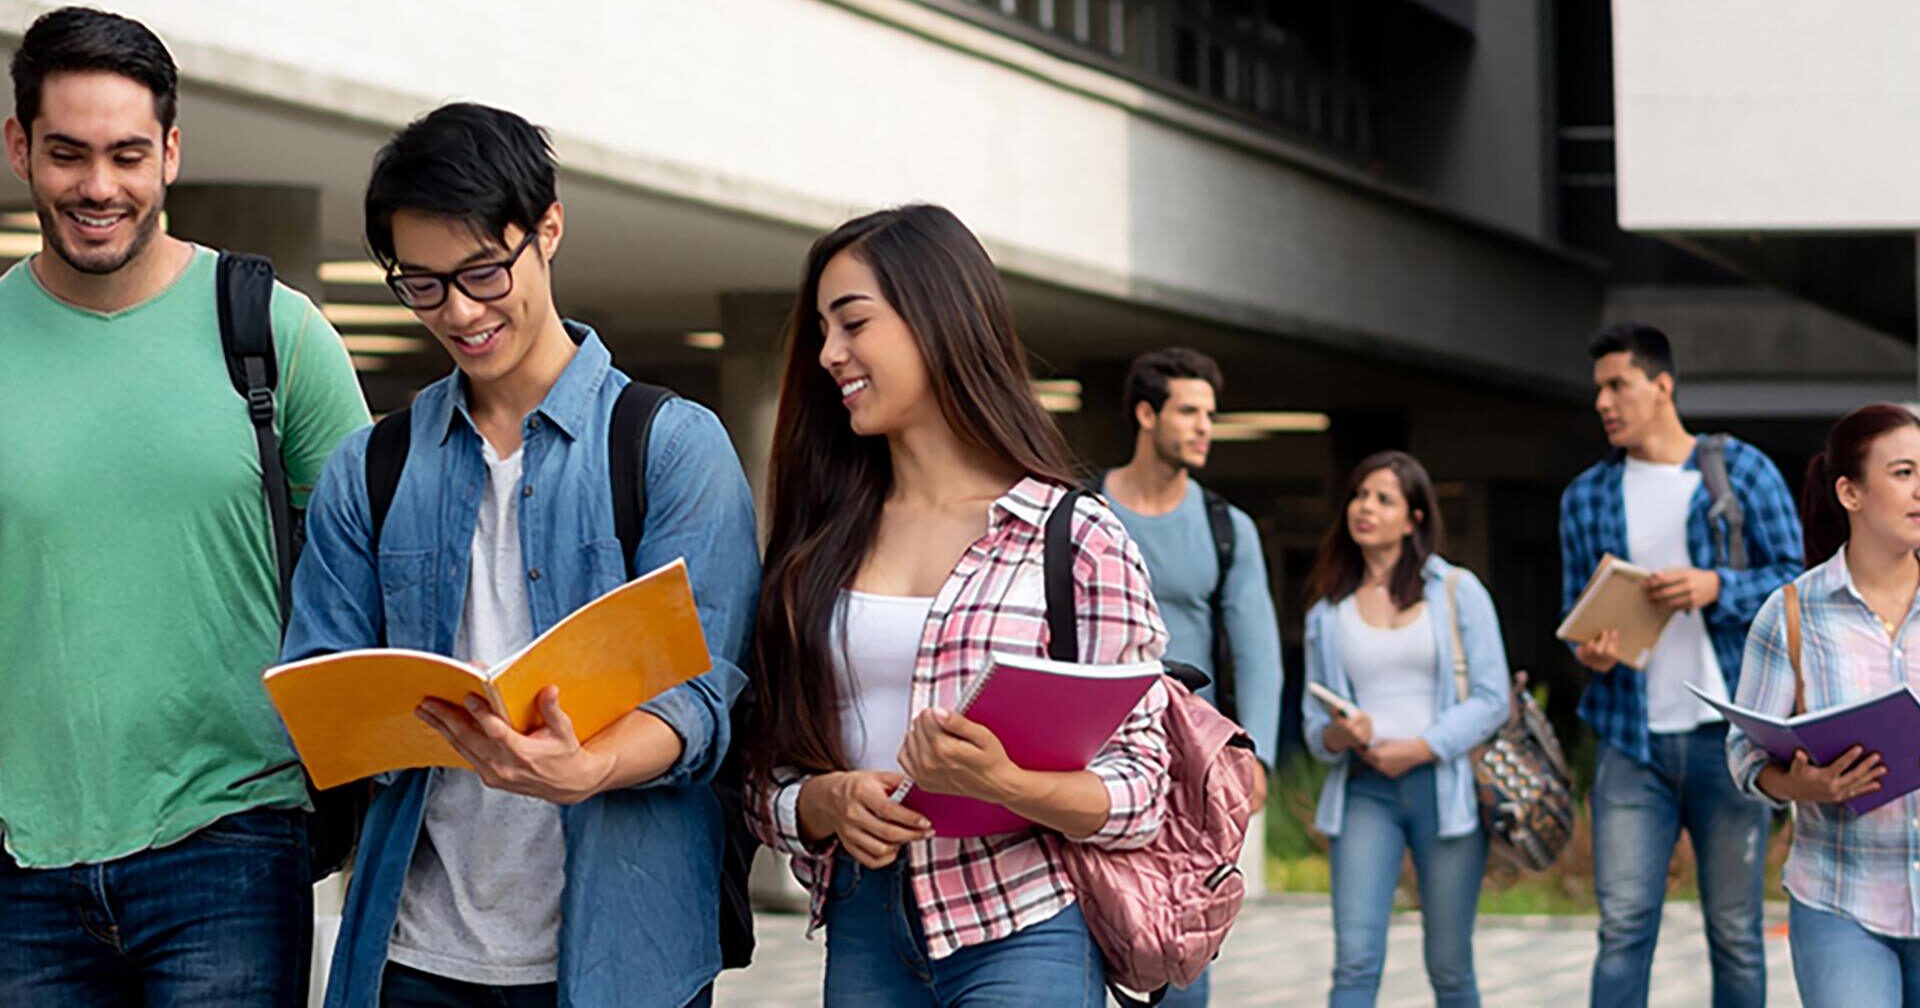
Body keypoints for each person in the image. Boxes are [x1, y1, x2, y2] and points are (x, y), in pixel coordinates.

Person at [281, 103, 759, 1008]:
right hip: (412, 957)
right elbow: (319, 682)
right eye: (420, 285)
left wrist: (588, 769)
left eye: (482, 273)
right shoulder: (372, 467)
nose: (458, 312)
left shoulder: (669, 447)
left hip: (624, 958)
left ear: (548, 229)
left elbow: (704, 697)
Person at [0, 7, 369, 1005]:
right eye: (68, 154)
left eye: (127, 153)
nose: (99, 187)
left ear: (170, 150)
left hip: (232, 842)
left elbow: (377, 562)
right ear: (18, 145)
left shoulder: (271, 332)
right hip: (16, 862)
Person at [743, 203, 1170, 1006]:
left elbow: (1142, 790)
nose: (831, 354)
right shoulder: (818, 539)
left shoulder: (1073, 538)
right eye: (822, 332)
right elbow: (763, 766)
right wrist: (819, 802)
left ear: (937, 320)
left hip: (1024, 924)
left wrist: (1008, 784)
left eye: (853, 323)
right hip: (864, 923)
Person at [1560, 322, 1801, 1008]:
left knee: (1734, 931)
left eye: (1618, 385)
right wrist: (1590, 651)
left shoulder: (1741, 471)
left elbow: (1794, 583)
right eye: (1598, 389)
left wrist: (1715, 587)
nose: (1603, 402)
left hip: (1729, 740)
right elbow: (1576, 619)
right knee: (1624, 928)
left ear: (1662, 386)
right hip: (1630, 743)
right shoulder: (1584, 497)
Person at [1097, 346, 1282, 1005]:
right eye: (1189, 411)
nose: (1205, 425)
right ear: (1146, 414)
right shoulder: (1085, 511)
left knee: (1181, 937)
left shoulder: (1227, 528)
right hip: (1094, 757)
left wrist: (1255, 754)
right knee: (1088, 933)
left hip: (1189, 766)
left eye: (1211, 413)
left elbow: (1260, 650)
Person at [1301, 451, 1508, 1007]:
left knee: (1449, 965)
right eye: (1359, 495)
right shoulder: (1328, 610)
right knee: (1355, 962)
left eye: (1383, 499)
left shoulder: (1457, 592)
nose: (1365, 508)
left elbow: (1493, 698)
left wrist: (1422, 747)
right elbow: (1314, 725)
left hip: (1443, 787)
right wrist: (1342, 734)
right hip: (1366, 791)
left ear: (1415, 518)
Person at [1729, 403, 1920, 1006]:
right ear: (1850, 492)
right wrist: (1797, 786)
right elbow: (1743, 753)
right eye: (1904, 472)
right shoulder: (1789, 613)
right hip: (1840, 898)